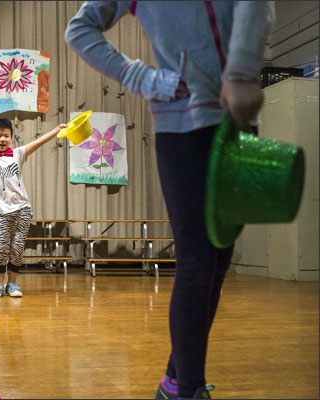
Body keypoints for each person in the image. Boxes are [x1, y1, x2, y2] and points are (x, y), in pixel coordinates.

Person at [65, 2, 274, 399]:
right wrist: (142, 77)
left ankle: (175, 379)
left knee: (220, 254)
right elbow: (80, 30)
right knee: (197, 255)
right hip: (183, 122)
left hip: (239, 116)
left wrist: (244, 72)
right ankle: (188, 390)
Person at [0, 118, 66, 298]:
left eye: (6, 136)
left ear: (11, 138)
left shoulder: (17, 154)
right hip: (0, 213)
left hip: (22, 210)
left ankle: (13, 284)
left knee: (17, 249)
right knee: (0, 248)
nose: (2, 139)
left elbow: (38, 142)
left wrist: (56, 130)